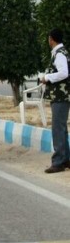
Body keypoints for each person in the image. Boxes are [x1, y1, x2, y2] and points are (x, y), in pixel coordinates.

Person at [39, 28, 70, 173]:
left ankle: (58, 162)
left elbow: (64, 73)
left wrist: (47, 78)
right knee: (61, 129)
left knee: (58, 128)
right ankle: (65, 159)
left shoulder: (59, 54)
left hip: (60, 96)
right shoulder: (60, 52)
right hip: (61, 96)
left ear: (51, 39)